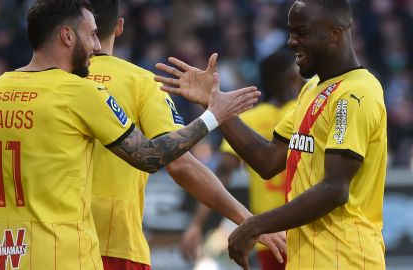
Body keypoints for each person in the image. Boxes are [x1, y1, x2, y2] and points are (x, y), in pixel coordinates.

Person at [0, 1, 262, 269]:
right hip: (71, 254)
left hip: (2, 256)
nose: (97, 46)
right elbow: (151, 156)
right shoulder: (83, 91)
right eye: (91, 35)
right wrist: (213, 116)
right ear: (67, 35)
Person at [155, 0, 387, 269]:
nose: (291, 42)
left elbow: (335, 189)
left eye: (302, 33)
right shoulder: (312, 89)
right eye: (290, 32)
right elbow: (267, 160)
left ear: (335, 33)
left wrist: (255, 224)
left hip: (345, 259)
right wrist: (213, 103)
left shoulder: (356, 94)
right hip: (307, 258)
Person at [84, 1, 285, 269]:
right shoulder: (142, 82)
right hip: (114, 244)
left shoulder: (46, 85)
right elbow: (180, 164)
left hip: (50, 244)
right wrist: (249, 220)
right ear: (120, 27)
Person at [180, 49, 303, 270]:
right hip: (307, 231)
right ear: (294, 76)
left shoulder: (247, 121)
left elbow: (222, 173)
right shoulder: (307, 112)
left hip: (270, 237)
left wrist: (196, 225)